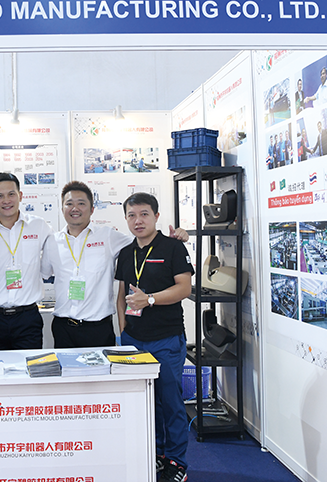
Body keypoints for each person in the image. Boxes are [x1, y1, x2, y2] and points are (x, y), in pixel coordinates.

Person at [41, 181, 188, 349]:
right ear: (62, 209)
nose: (75, 208)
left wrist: (173, 238)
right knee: (66, 367)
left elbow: (144, 240)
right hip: (63, 327)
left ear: (92, 209)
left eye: (81, 203)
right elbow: (45, 273)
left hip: (98, 328)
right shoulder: (52, 242)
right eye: (69, 204)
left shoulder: (108, 236)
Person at [114, 192, 194, 482]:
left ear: (156, 216)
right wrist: (123, 330)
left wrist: (150, 300)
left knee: (170, 402)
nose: (138, 221)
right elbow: (121, 295)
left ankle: (177, 461)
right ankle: (157, 454)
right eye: (132, 215)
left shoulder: (173, 247)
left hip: (166, 339)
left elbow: (184, 288)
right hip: (133, 340)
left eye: (144, 214)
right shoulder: (126, 253)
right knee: (146, 403)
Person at [0, 172, 52, 350]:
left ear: (20, 196)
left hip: (27, 318)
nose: (6, 200)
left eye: (11, 194)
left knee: (29, 365)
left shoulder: (39, 226)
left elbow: (55, 254)